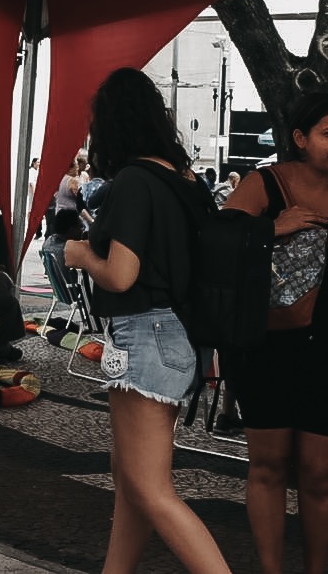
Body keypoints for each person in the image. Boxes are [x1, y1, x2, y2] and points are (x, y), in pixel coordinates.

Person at [63, 67, 229, 572]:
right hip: (177, 333)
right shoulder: (184, 180)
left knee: (152, 489)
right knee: (131, 476)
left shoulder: (134, 180)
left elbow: (120, 273)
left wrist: (77, 253)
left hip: (145, 332)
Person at [222, 92, 328, 574]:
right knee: (268, 466)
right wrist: (271, 227)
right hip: (267, 347)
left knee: (320, 473)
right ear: (300, 138)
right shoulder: (265, 183)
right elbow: (217, 244)